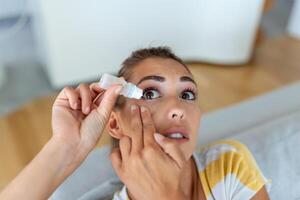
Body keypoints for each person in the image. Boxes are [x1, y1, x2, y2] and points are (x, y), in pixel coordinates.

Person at [0, 47, 271, 200]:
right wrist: (66, 147)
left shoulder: (228, 164)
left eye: (187, 94)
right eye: (151, 93)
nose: (178, 108)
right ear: (115, 123)